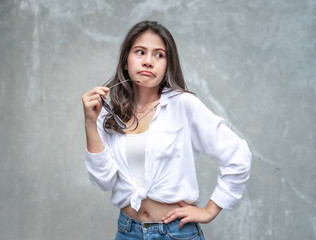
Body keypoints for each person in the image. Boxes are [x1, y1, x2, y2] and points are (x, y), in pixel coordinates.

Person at [82, 20, 252, 240]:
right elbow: (104, 181)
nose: (148, 62)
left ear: (167, 65)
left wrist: (210, 211)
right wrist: (89, 123)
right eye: (140, 52)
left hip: (174, 234)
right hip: (128, 232)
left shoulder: (183, 105)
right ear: (126, 61)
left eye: (159, 55)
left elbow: (238, 155)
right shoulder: (108, 111)